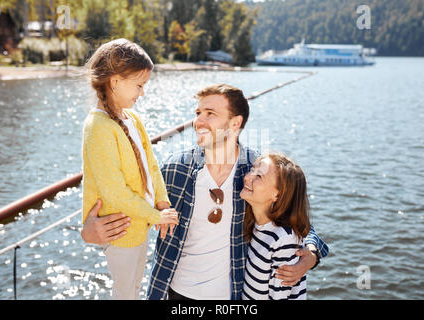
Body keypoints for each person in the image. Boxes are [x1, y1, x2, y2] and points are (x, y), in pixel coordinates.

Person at [81, 84, 329, 300]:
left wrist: (311, 255)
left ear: (235, 123)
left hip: (234, 293)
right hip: (172, 291)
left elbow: (298, 221)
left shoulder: (257, 171)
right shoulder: (174, 168)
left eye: (210, 114)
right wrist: (90, 232)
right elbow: (133, 209)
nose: (198, 121)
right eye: (198, 113)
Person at [82, 38, 178, 300]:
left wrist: (161, 202)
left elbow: (152, 165)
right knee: (124, 292)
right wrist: (156, 217)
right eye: (139, 85)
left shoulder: (132, 118)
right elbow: (114, 193)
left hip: (140, 224)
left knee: (135, 287)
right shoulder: (98, 127)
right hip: (120, 230)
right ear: (114, 81)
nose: (142, 93)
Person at [241, 153, 311, 300]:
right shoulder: (257, 225)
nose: (248, 177)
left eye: (259, 176)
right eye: (252, 170)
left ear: (277, 195)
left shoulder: (284, 239)